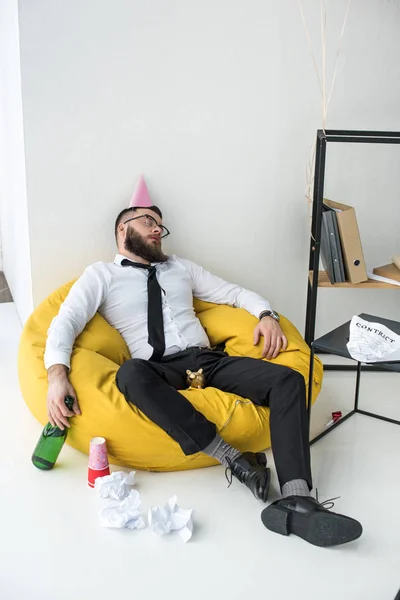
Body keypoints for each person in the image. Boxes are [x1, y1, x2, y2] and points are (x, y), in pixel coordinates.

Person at [44, 178, 362, 548]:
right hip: (159, 370)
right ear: (122, 229)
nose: (157, 231)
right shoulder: (101, 275)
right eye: (148, 222)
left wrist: (266, 314)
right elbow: (65, 321)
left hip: (208, 361)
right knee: (129, 374)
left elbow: (233, 292)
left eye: (160, 226)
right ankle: (234, 460)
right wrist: (56, 375)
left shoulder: (180, 268)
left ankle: (298, 498)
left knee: (289, 380)